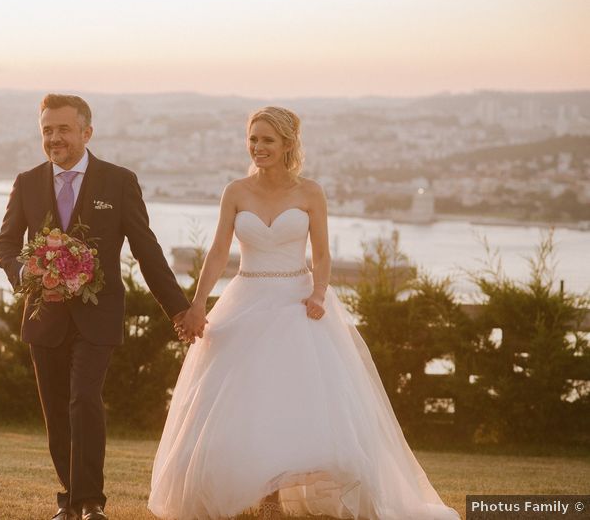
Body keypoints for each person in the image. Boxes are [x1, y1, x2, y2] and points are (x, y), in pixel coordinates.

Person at [148, 107, 460, 520]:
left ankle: (280, 493)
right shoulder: (235, 191)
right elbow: (219, 251)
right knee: (245, 399)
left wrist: (318, 293)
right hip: (247, 296)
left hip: (298, 302)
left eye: (267, 140)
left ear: (287, 145)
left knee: (295, 398)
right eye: (253, 139)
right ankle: (262, 494)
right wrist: (200, 301)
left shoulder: (310, 192)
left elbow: (324, 253)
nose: (258, 147)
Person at [0, 94, 190, 520]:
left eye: (63, 129)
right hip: (44, 317)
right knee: (57, 413)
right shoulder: (26, 182)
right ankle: (69, 498)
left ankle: (90, 504)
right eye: (47, 130)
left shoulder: (118, 182)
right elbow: (5, 244)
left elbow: (146, 250)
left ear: (87, 132)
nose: (54, 138)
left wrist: (179, 309)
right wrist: (25, 271)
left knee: (84, 399)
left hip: (98, 314)